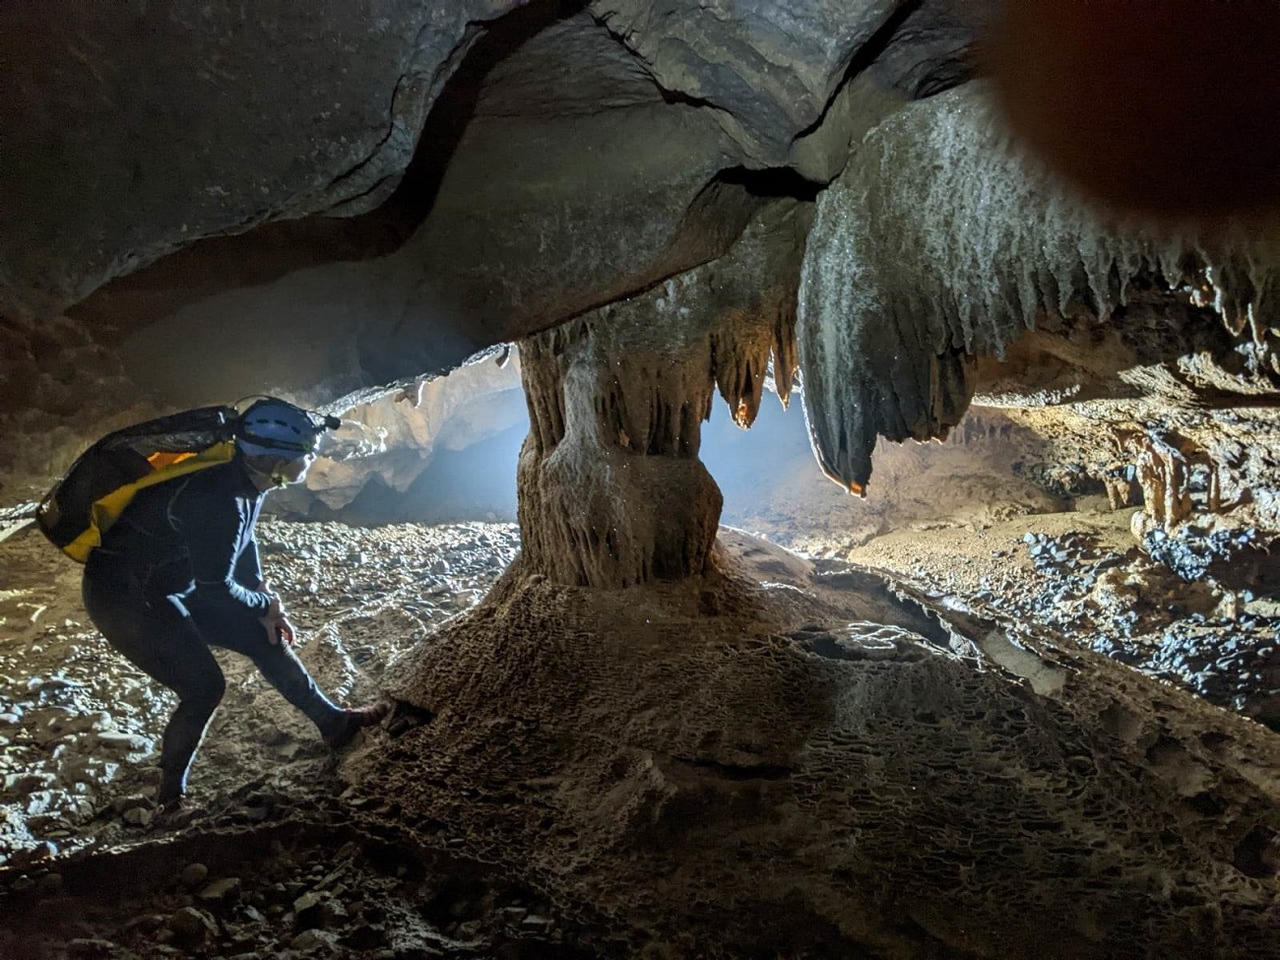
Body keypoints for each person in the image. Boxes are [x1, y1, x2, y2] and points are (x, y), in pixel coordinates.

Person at [80, 397, 387, 809]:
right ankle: (168, 798)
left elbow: (244, 541)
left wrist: (266, 604)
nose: (309, 465)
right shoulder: (216, 498)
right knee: (204, 686)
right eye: (304, 458)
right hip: (124, 593)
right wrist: (261, 604)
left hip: (171, 577)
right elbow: (217, 589)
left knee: (265, 636)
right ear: (274, 460)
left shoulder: (245, 476)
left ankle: (335, 725)